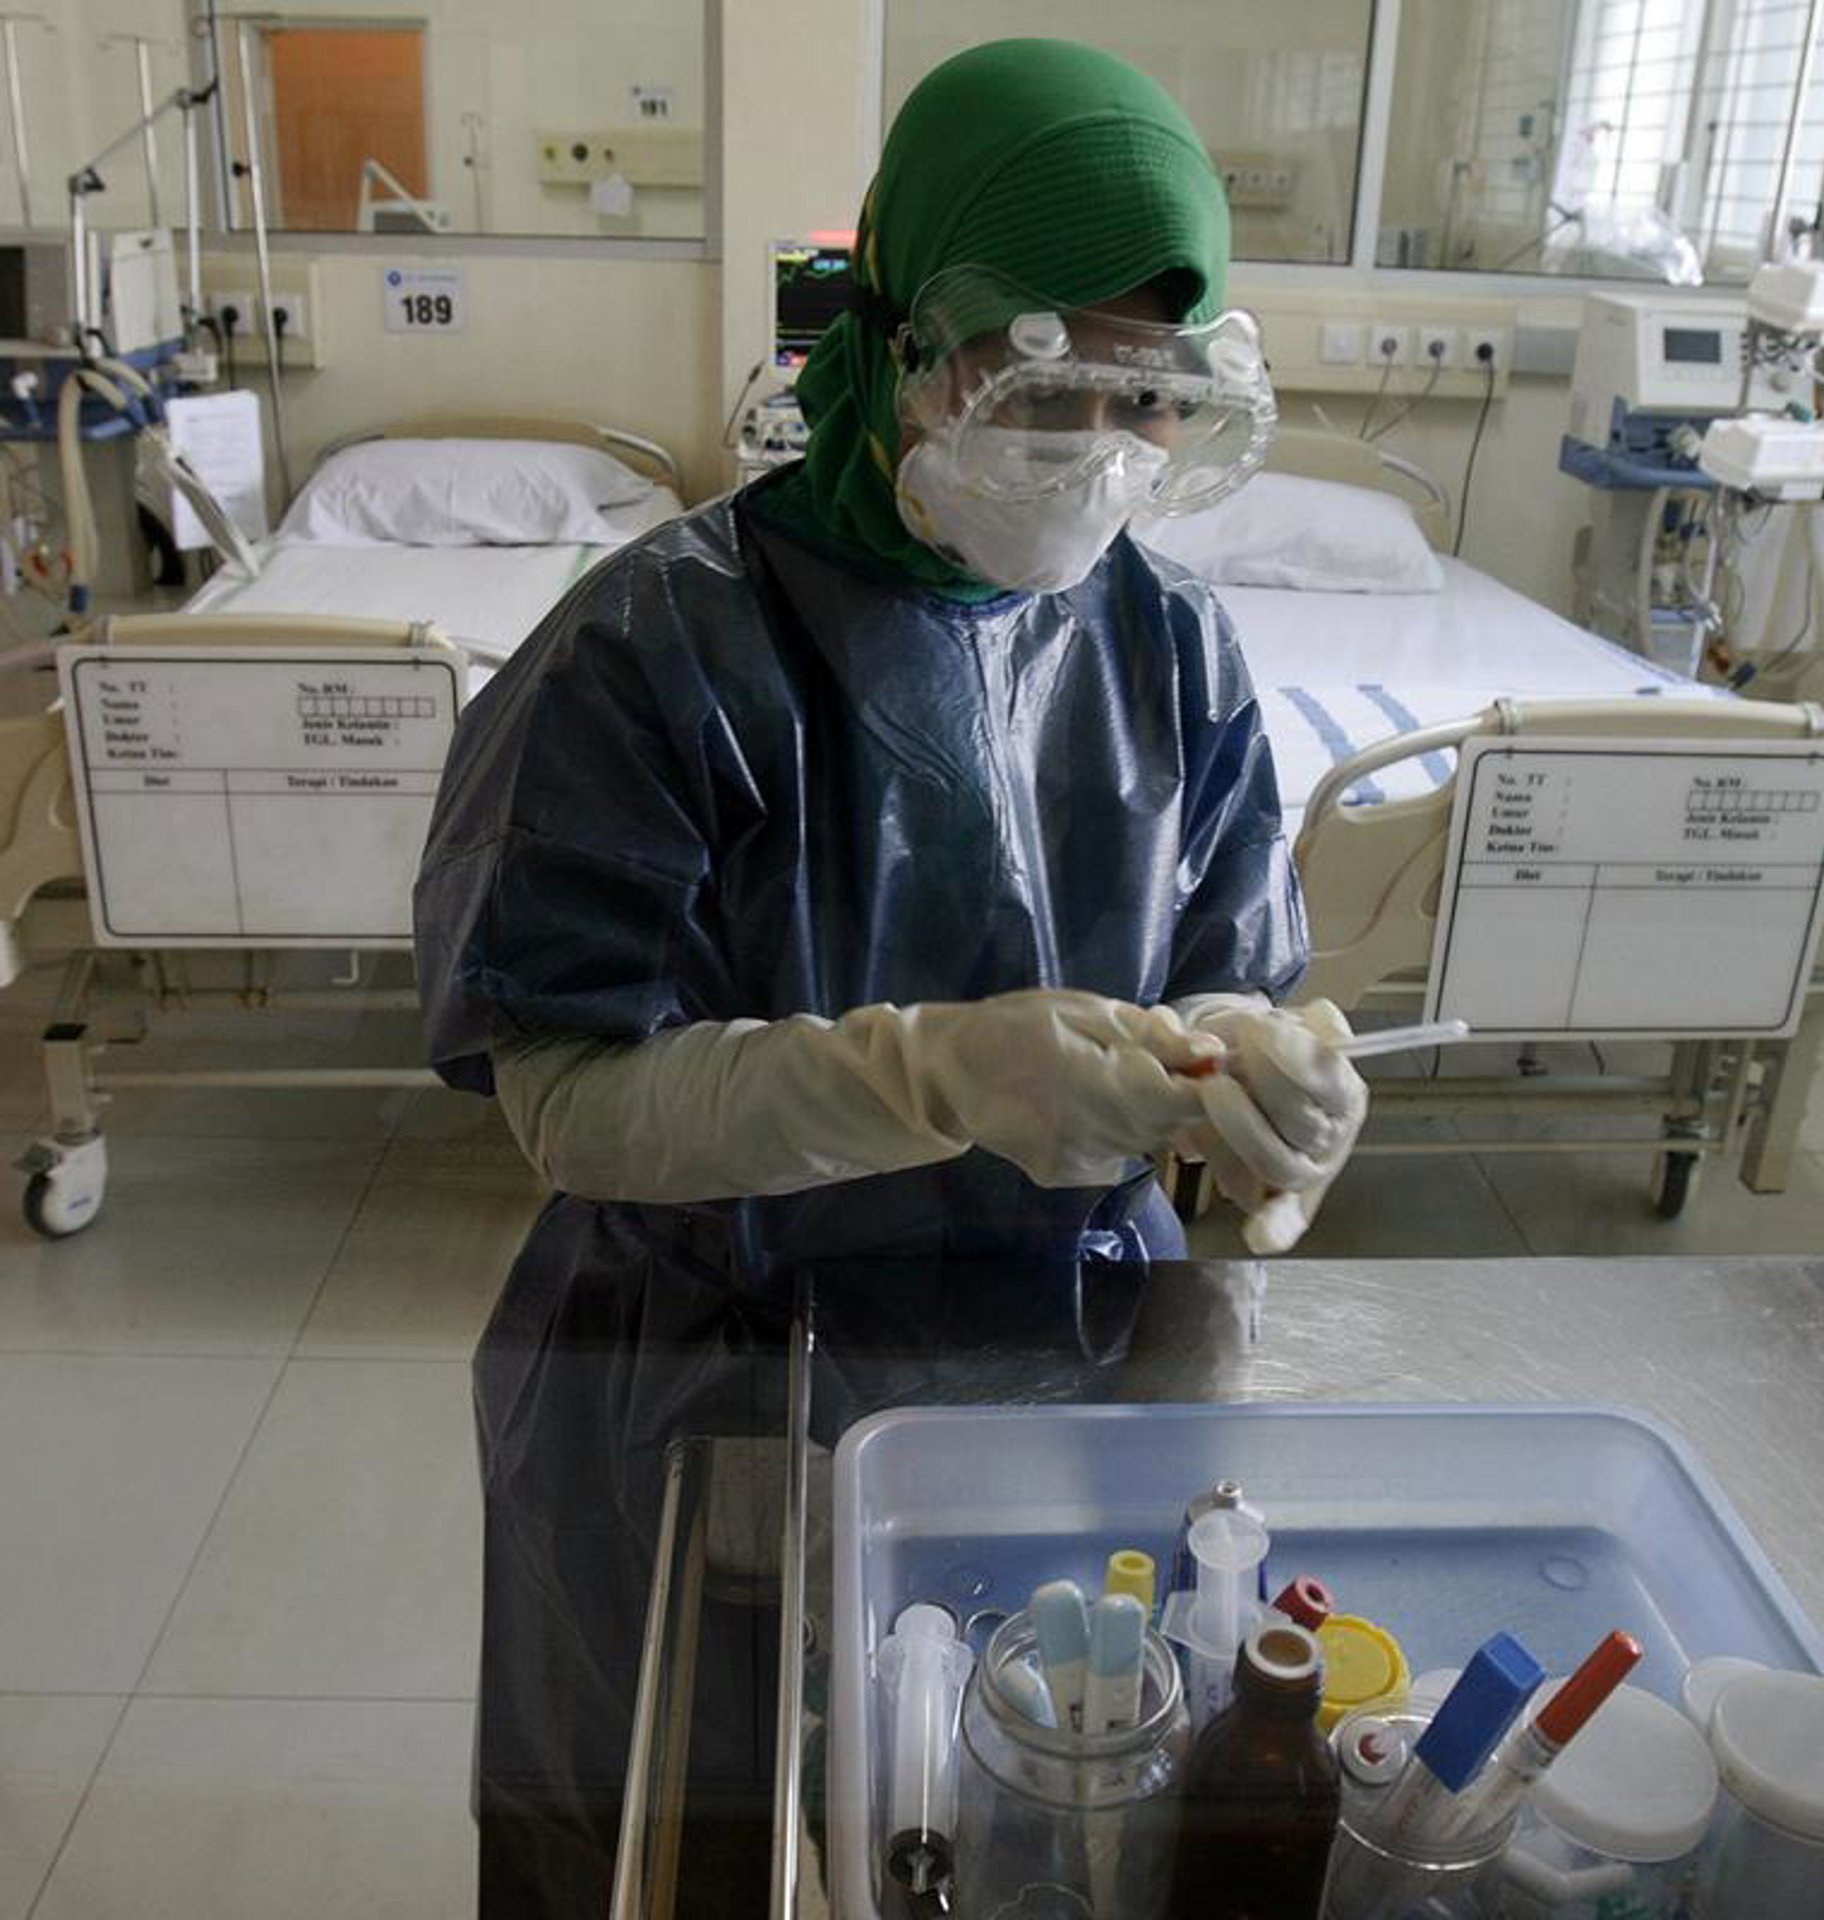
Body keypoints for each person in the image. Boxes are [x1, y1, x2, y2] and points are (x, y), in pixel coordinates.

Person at [414, 38, 1367, 1916]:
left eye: (1150, 398)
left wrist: (1263, 1098)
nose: (1095, 449)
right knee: (669, 1848)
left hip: (1067, 1382)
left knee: (1034, 1832)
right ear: (896, 334)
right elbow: (570, 1101)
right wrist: (928, 1081)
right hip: (696, 1396)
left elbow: (1224, 994)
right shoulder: (657, 648)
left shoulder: (1175, 650)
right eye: (1042, 383)